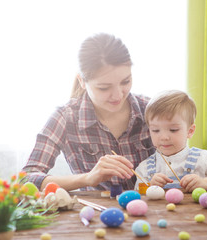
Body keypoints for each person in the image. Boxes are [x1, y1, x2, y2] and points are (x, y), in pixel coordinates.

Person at [22, 33, 155, 191]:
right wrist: (88, 178)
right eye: (104, 88)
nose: (118, 95)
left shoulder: (151, 109)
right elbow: (25, 180)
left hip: (154, 211)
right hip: (96, 214)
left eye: (125, 81)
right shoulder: (66, 117)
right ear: (82, 81)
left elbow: (181, 160)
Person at [134, 90, 207, 192]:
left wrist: (205, 182)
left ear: (190, 131)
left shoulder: (203, 159)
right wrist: (150, 187)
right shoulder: (144, 169)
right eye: (155, 130)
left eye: (173, 130)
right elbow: (137, 197)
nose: (164, 137)